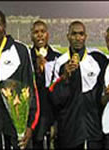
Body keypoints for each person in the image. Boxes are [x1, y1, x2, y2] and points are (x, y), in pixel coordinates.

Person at [0, 8, 39, 149]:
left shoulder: (21, 51)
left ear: (4, 26)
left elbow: (32, 91)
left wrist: (30, 127)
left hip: (19, 129)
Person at [49, 21, 108, 149]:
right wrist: (65, 78)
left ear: (85, 36)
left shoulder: (97, 60)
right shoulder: (60, 63)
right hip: (69, 132)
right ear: (68, 36)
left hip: (93, 131)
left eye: (81, 34)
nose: (77, 38)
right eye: (74, 34)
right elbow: (55, 100)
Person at [20, 20, 61, 149]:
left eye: (43, 32)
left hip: (52, 115)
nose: (39, 35)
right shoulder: (25, 59)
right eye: (36, 32)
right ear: (31, 36)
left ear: (48, 35)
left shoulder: (58, 58)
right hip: (31, 118)